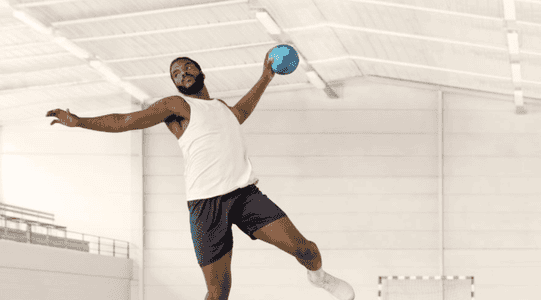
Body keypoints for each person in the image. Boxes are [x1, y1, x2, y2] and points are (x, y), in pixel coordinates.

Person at [46, 49, 355, 300]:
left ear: (201, 71)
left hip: (245, 196)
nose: (182, 74)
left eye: (187, 68)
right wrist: (80, 121)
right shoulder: (176, 105)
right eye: (176, 74)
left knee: (306, 249)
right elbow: (126, 120)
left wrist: (266, 76)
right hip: (205, 207)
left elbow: (241, 113)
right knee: (219, 293)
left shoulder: (220, 107)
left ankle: (320, 279)